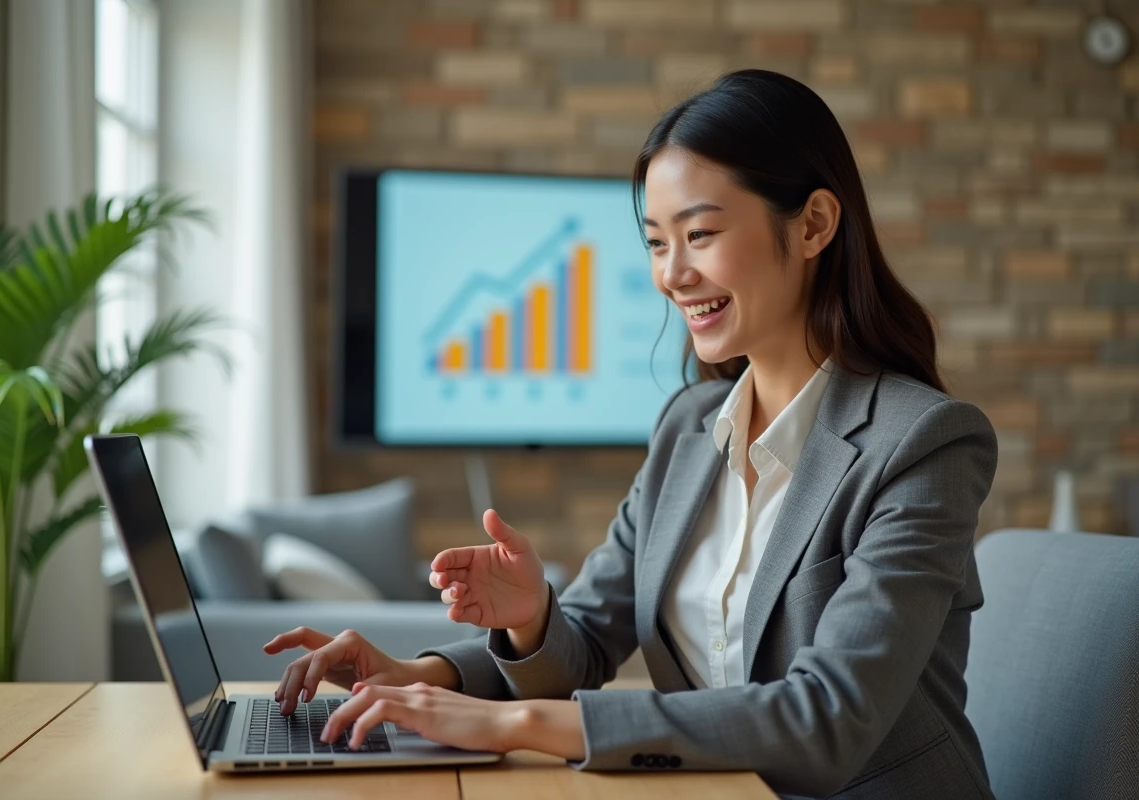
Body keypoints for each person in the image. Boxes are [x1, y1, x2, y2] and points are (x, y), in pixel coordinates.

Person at [263, 69, 998, 799]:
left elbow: (828, 719)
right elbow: (584, 643)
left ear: (813, 225)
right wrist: (449, 662)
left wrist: (518, 723)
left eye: (700, 234)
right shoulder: (687, 428)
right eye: (655, 243)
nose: (673, 274)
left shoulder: (923, 443)